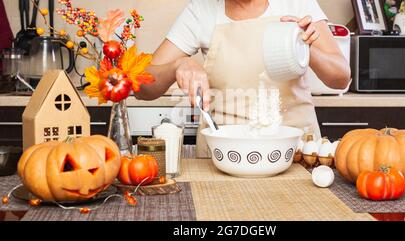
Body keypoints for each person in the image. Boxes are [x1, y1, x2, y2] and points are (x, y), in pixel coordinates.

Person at [137, 0, 351, 157]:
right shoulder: (201, 10)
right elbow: (143, 87)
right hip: (224, 157)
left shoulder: (296, 4)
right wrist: (177, 65)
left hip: (294, 154)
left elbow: (340, 78)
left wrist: (303, 47)